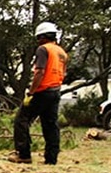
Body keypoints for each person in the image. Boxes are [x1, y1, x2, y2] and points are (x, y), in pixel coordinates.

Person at [9, 22, 68, 165]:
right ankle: (51, 158)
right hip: (55, 91)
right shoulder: (62, 53)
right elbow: (64, 72)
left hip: (42, 91)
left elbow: (40, 71)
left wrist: (31, 93)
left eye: (38, 38)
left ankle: (23, 154)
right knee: (50, 125)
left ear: (43, 36)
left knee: (21, 120)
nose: (38, 41)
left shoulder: (43, 49)